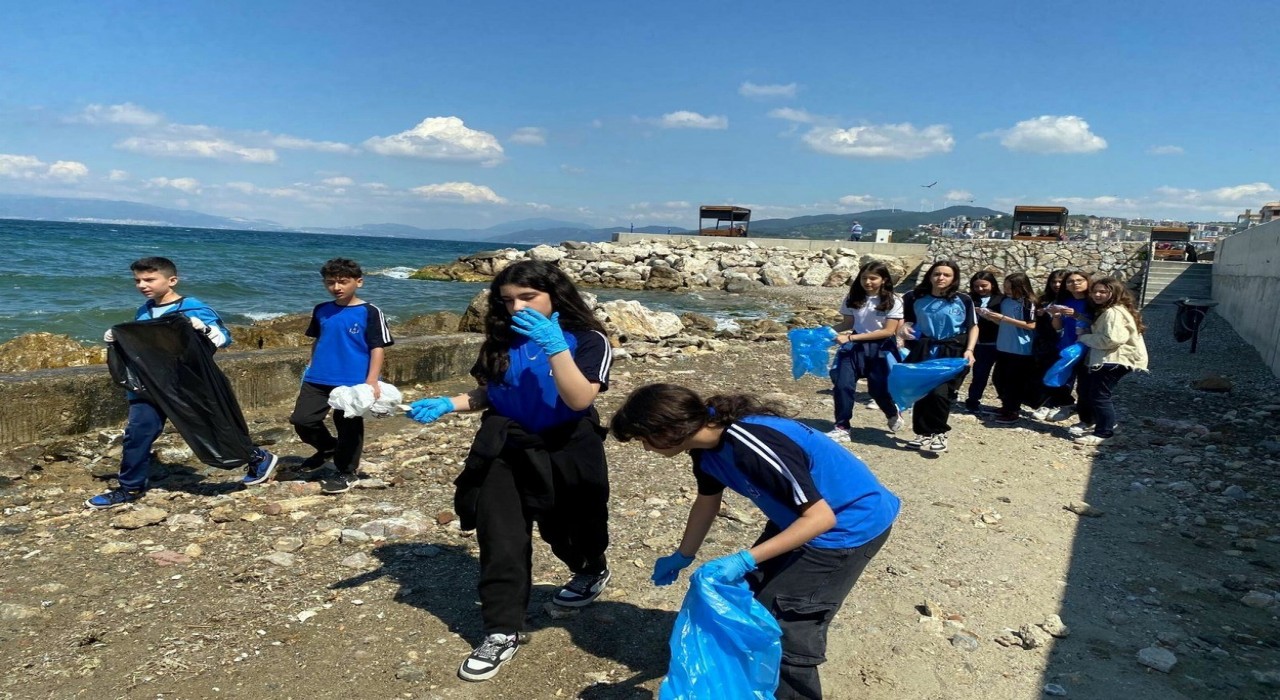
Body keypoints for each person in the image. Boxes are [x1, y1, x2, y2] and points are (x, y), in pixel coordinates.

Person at [609, 384, 899, 700]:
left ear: (667, 430)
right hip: (795, 517)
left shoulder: (751, 443)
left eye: (643, 439)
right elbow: (708, 501)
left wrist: (745, 558)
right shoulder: (705, 449)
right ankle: (754, 681)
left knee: (786, 627)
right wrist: (682, 555)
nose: (645, 449)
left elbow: (821, 519)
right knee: (751, 598)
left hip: (846, 527)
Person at [406, 260, 613, 682]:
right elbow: (490, 391)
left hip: (567, 444)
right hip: (505, 444)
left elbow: (579, 399)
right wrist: (450, 403)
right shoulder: (501, 339)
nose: (517, 308)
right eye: (508, 300)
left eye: (528, 297)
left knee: (570, 528)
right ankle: (502, 630)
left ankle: (591, 566)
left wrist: (555, 346)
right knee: (500, 536)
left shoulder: (588, 340)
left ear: (555, 295)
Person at [87, 257, 279, 508]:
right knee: (137, 433)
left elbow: (223, 338)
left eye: (149, 279)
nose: (142, 285)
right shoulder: (144, 310)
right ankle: (130, 488)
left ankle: (257, 457)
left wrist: (205, 331)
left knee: (212, 426)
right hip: (150, 385)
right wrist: (118, 340)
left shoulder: (192, 307)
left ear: (171, 280)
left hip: (186, 385)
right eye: (137, 280)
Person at [289, 258, 394, 495]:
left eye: (343, 282)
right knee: (302, 419)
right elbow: (319, 340)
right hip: (318, 377)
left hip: (354, 380)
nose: (337, 287)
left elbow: (378, 347)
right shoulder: (321, 310)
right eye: (330, 282)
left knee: (347, 426)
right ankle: (327, 448)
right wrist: (310, 366)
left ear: (358, 282)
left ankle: (347, 472)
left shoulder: (370, 312)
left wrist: (372, 380)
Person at [898, 260, 978, 453]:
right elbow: (906, 321)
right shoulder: (914, 297)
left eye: (946, 275)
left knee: (941, 392)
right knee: (923, 391)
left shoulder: (963, 300)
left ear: (954, 278)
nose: (941, 278)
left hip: (953, 350)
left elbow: (973, 326)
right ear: (930, 276)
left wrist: (970, 350)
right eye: (937, 274)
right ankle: (923, 434)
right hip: (924, 349)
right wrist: (903, 329)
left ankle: (940, 433)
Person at [827, 260, 905, 440]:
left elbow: (888, 331)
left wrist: (851, 337)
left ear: (884, 280)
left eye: (873, 278)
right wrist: (824, 332)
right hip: (854, 348)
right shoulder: (852, 298)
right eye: (864, 278)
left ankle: (892, 413)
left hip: (882, 348)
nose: (867, 282)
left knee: (878, 389)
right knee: (842, 384)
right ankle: (842, 427)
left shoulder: (893, 300)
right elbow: (848, 323)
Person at [1071, 278, 1148, 445]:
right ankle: (1094, 422)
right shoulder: (1110, 310)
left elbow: (1112, 339)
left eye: (1103, 292)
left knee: (1100, 396)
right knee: (1091, 392)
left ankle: (1104, 433)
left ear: (1114, 293)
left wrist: (1084, 337)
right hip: (1109, 359)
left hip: (1113, 360)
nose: (1097, 295)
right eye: (1095, 291)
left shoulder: (1113, 312)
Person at [982, 272, 1038, 424]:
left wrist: (1003, 318)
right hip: (1004, 346)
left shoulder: (1028, 302)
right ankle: (1006, 406)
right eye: (1005, 287)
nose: (1006, 290)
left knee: (1014, 382)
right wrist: (991, 317)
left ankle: (1012, 410)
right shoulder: (1006, 301)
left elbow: (1031, 325)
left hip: (1020, 348)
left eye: (1010, 288)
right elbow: (1005, 323)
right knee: (999, 378)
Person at [1051, 270, 1094, 433]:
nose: (1074, 283)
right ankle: (1067, 406)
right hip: (1066, 347)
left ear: (1087, 282)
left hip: (1087, 349)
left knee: (1084, 387)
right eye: (1070, 281)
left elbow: (1096, 324)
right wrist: (1055, 316)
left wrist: (1077, 316)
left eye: (1079, 280)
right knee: (1060, 379)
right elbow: (1058, 327)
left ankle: (1086, 420)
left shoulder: (1093, 302)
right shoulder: (1065, 301)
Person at [1031, 269, 1070, 421]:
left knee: (1061, 375)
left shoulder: (1071, 301)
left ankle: (1061, 404)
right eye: (1053, 281)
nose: (1057, 285)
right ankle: (1046, 403)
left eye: (1060, 281)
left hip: (1065, 344)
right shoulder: (1044, 300)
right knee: (1044, 373)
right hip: (1045, 342)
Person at [963, 271, 1002, 414]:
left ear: (992, 284)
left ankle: (976, 400)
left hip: (993, 342)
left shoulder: (1001, 300)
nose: (980, 289)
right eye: (976, 286)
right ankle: (963, 398)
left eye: (984, 286)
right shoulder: (968, 299)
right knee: (969, 372)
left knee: (990, 375)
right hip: (972, 343)